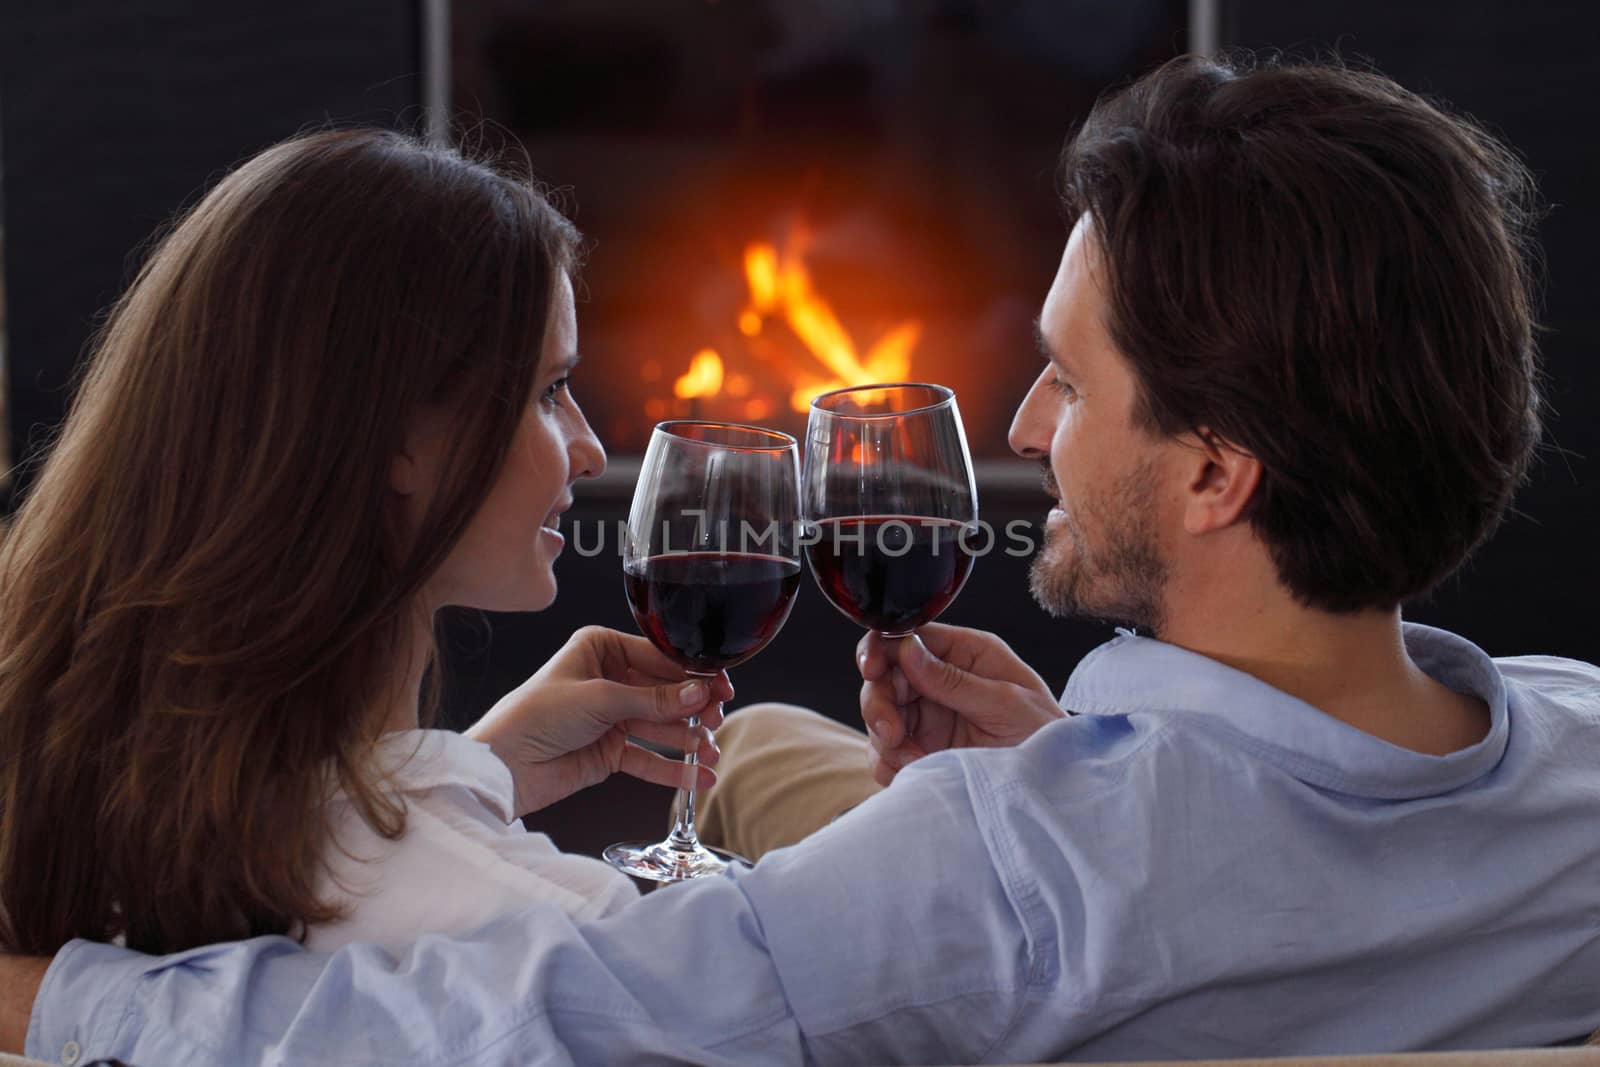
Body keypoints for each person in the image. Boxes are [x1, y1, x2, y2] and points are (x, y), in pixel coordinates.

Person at [6, 51, 1600, 1065]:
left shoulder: (1010, 880)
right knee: (772, 741)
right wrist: (1087, 765)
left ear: (1211, 469)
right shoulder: (1579, 757)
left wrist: (60, 1000)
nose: (1029, 424)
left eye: (1070, 374)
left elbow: (511, 1028)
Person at [0, 128, 734, 961]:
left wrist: (467, 772)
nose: (591, 448)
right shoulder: (563, 933)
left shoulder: (115, 838)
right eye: (549, 391)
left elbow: (347, 842)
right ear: (394, 436)